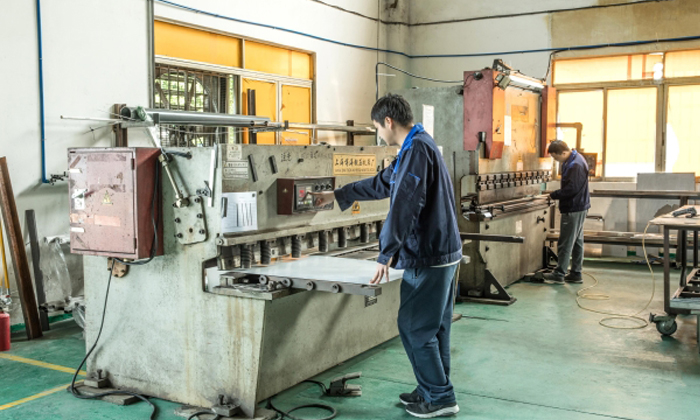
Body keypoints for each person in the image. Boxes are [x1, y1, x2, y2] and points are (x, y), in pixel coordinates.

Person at [311, 94, 462, 418]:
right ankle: (431, 389)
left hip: (428, 256)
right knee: (434, 329)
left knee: (414, 327)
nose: (379, 134)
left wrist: (386, 252)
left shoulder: (417, 149)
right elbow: (384, 184)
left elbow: (406, 203)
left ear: (388, 122)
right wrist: (337, 195)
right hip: (442, 252)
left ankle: (440, 397)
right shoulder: (417, 146)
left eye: (377, 128)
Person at [543, 140, 591, 284]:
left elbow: (571, 189)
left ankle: (559, 274)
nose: (556, 160)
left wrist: (554, 195)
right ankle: (576, 273)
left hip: (573, 208)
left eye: (556, 157)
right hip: (579, 206)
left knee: (565, 242)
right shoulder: (575, 158)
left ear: (563, 152)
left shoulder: (574, 165)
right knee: (577, 242)